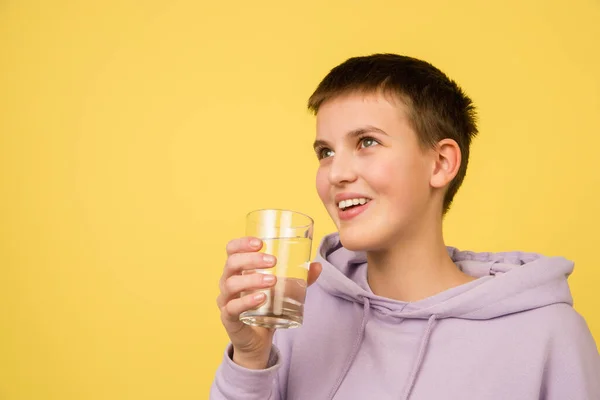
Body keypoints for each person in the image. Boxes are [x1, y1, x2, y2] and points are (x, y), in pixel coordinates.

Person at [210, 54, 600, 399]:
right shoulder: (296, 311)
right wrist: (250, 358)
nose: (336, 173)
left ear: (441, 164)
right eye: (325, 152)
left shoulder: (546, 335)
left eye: (366, 142)